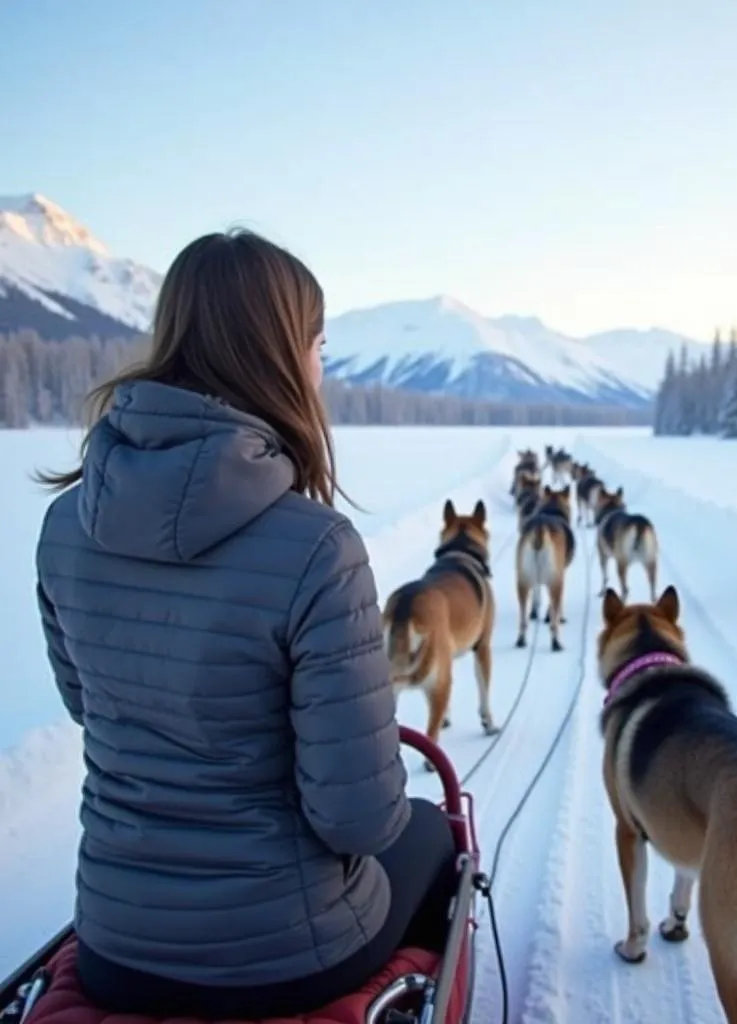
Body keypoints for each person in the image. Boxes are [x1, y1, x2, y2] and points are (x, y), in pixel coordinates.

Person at [33, 230, 457, 1020]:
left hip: (115, 945)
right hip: (287, 958)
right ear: (281, 352)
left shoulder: (64, 526)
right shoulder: (318, 548)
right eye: (320, 345)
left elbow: (91, 707)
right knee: (431, 835)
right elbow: (358, 818)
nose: (322, 370)